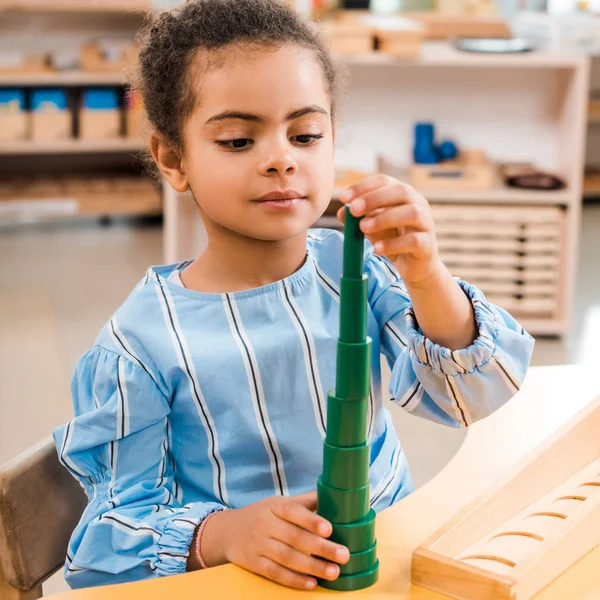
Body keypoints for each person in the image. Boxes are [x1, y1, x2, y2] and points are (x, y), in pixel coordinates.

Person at [54, 0, 534, 591]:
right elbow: (108, 539)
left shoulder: (356, 269)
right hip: (240, 582)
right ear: (173, 160)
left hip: (385, 558)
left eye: (306, 134)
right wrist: (223, 535)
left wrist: (426, 274)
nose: (282, 159)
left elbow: (473, 397)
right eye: (237, 141)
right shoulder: (140, 345)